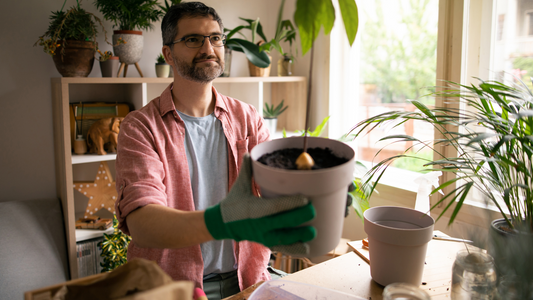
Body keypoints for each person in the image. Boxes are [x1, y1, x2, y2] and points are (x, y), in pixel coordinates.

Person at [114, 2, 316, 299]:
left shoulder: (247, 118)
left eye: (216, 38)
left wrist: (320, 185)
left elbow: (276, 187)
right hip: (172, 290)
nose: (208, 47)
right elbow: (142, 223)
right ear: (168, 54)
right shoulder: (140, 127)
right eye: (193, 39)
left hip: (248, 281)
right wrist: (221, 221)